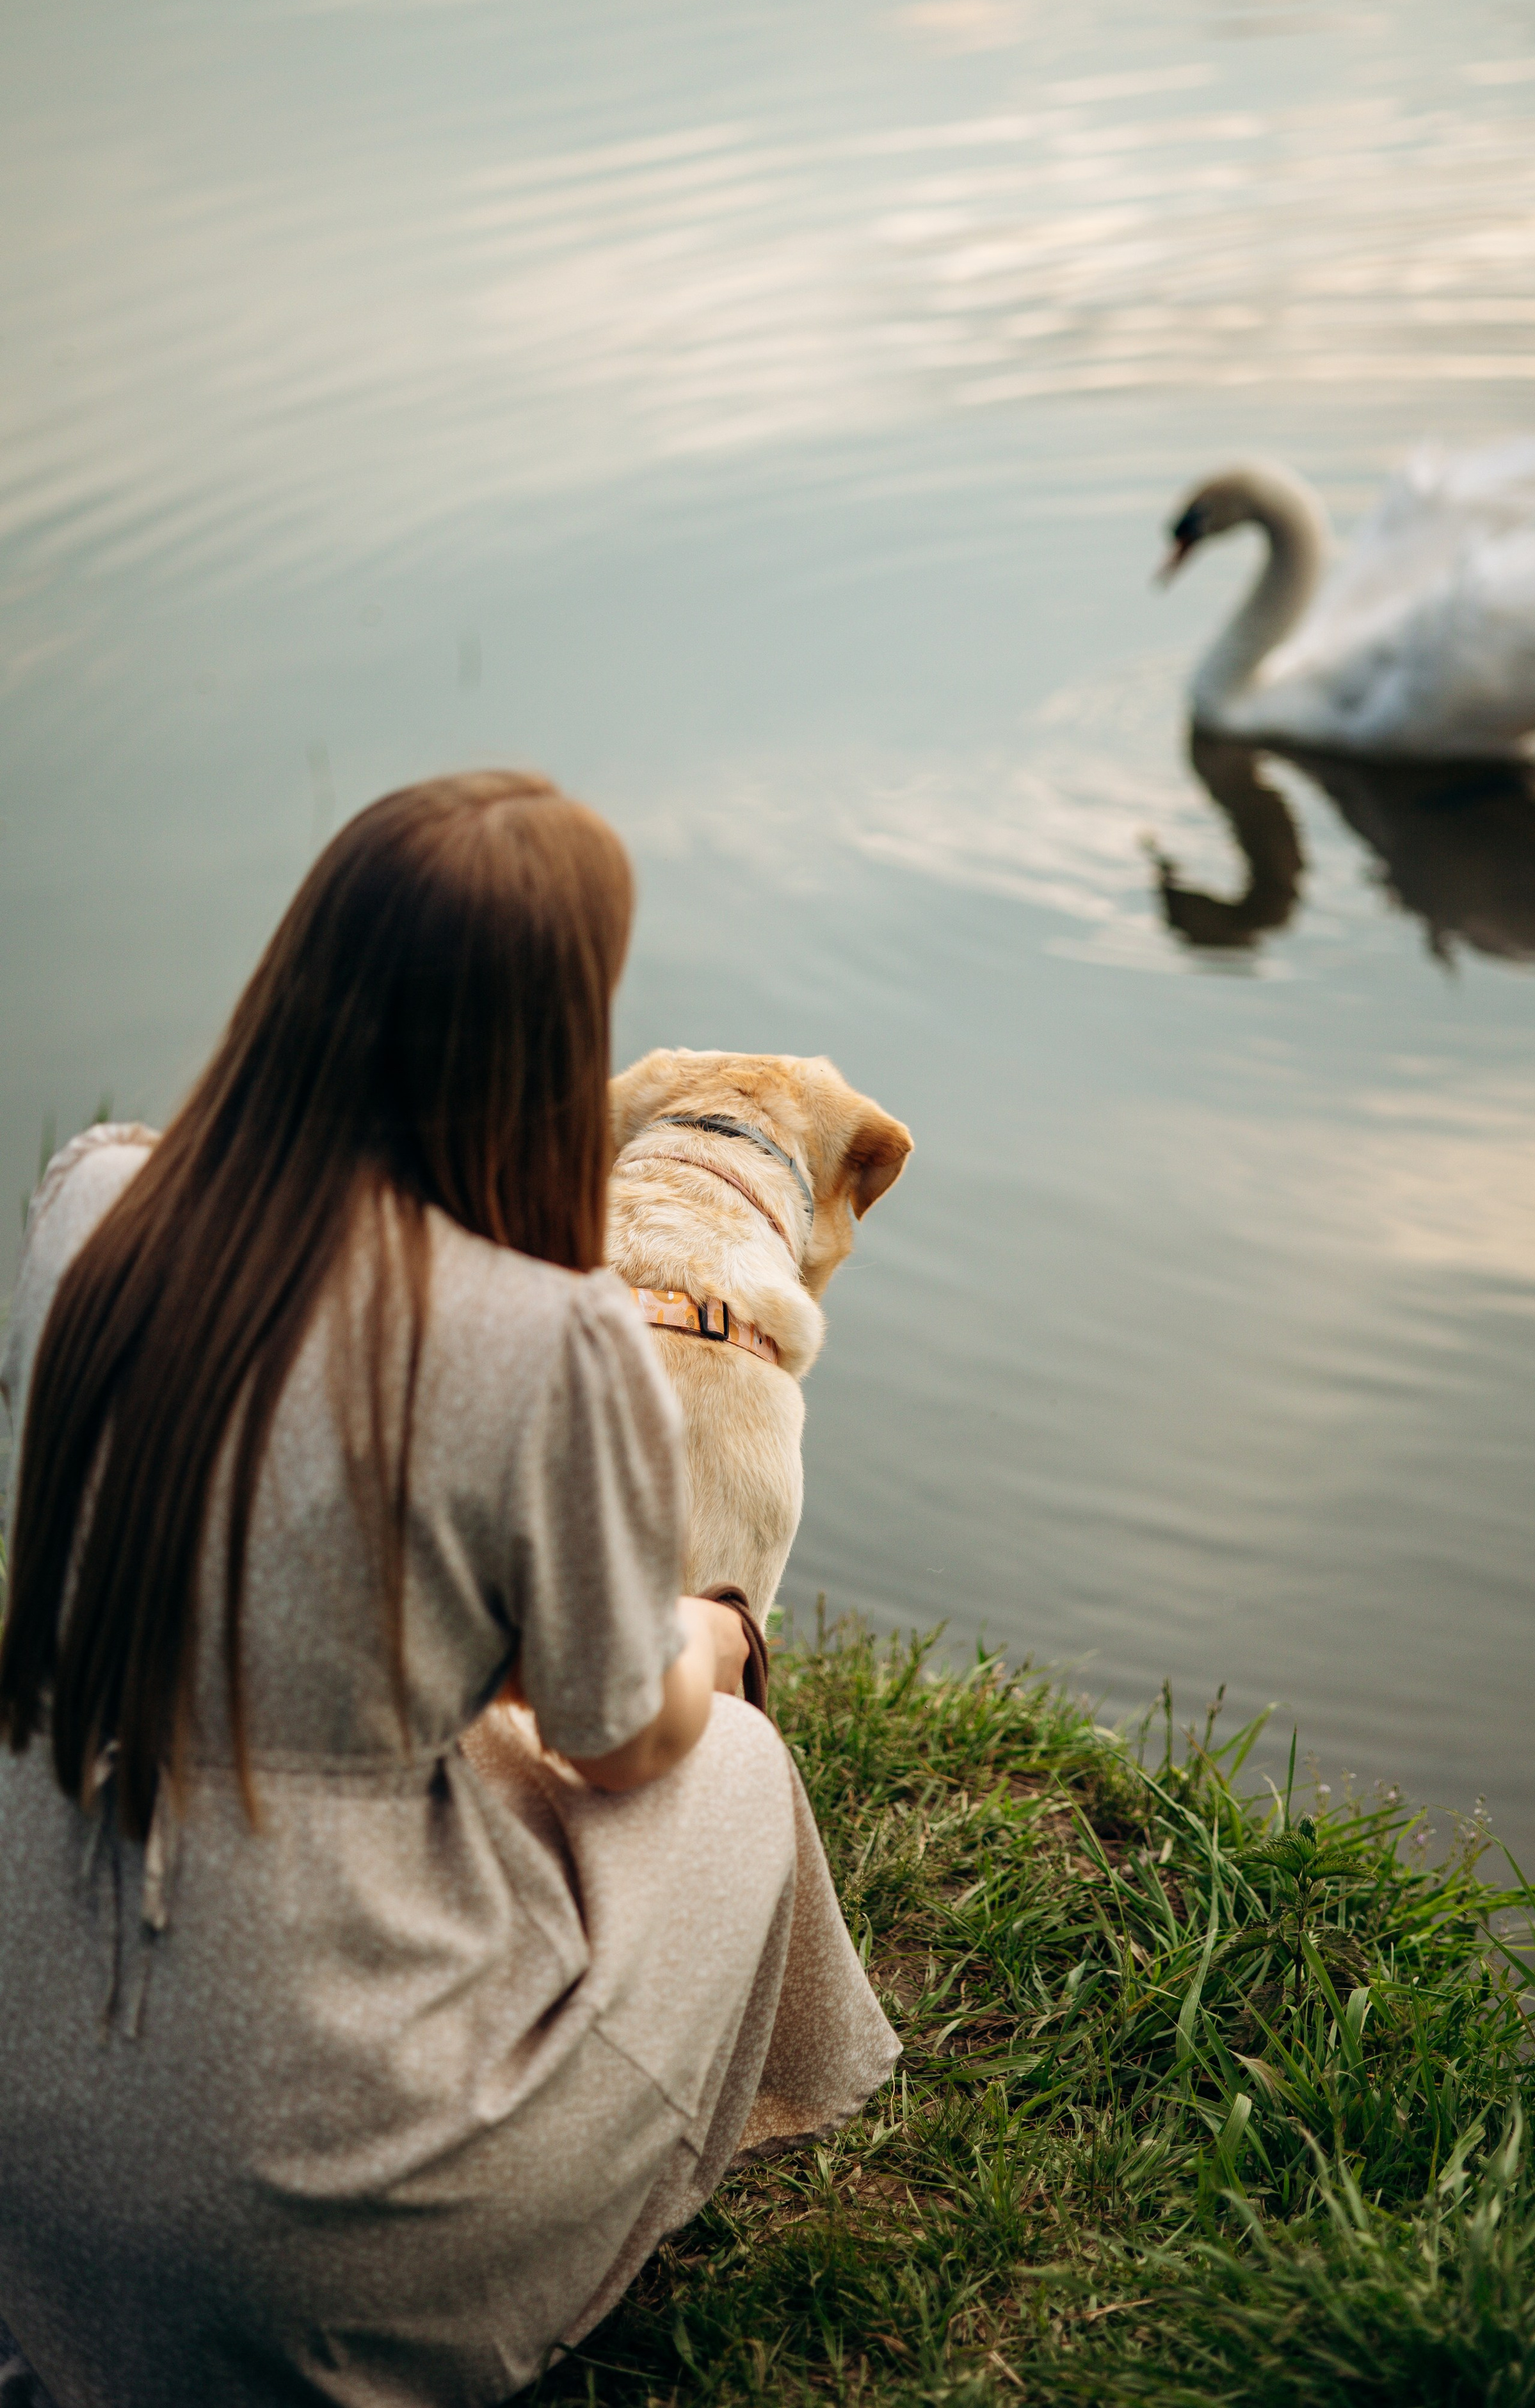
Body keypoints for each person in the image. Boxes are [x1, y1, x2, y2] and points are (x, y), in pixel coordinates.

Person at [0, 772, 899, 2407]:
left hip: (34, 2153)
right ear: (547, 1041)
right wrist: (710, 1630)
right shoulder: (530, 1339)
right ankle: (536, 2220)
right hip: (299, 2239)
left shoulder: (89, 1202)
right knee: (738, 1773)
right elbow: (615, 1734)